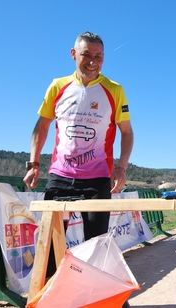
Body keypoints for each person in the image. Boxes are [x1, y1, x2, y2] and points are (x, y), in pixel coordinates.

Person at [23, 31, 134, 262]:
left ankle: (100, 297)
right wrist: (33, 163)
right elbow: (41, 126)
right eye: (86, 55)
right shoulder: (57, 86)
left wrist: (121, 168)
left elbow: (127, 132)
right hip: (60, 177)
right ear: (73, 54)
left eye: (99, 56)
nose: (93, 61)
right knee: (52, 247)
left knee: (97, 246)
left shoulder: (115, 89)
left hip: (97, 180)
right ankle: (52, 296)